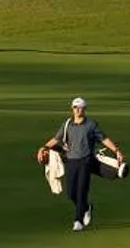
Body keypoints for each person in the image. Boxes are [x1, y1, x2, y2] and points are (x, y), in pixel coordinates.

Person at [37, 97, 124, 232]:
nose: (78, 110)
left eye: (80, 107)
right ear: (72, 109)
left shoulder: (91, 125)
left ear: (85, 109)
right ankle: (86, 207)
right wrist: (44, 147)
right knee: (71, 193)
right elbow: (56, 139)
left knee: (81, 191)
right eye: (75, 107)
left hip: (86, 160)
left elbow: (104, 139)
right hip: (71, 161)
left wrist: (116, 150)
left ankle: (78, 220)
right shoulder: (67, 124)